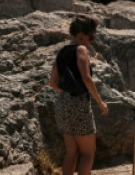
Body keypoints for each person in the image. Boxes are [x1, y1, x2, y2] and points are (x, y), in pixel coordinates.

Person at [49, 15, 108, 175]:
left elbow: (53, 83)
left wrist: (68, 91)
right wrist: (100, 102)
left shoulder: (62, 52)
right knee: (88, 153)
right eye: (91, 36)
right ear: (82, 35)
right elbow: (87, 79)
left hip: (63, 103)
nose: (91, 40)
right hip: (79, 103)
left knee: (71, 152)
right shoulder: (81, 49)